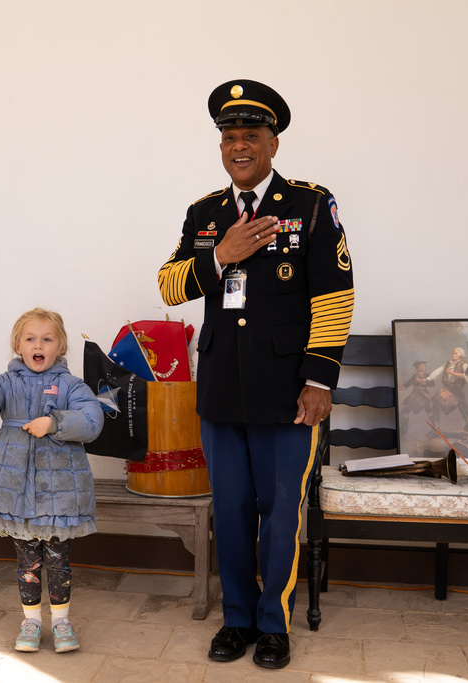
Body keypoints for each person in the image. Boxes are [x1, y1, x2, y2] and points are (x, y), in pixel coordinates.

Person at [157, 79, 354, 669]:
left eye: (251, 136)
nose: (238, 147)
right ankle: (237, 620)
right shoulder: (206, 213)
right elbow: (169, 286)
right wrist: (221, 255)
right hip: (221, 388)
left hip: (287, 391)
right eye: (229, 138)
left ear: (272, 144)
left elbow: (335, 296)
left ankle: (274, 623)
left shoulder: (310, 204)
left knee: (279, 509)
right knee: (234, 509)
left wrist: (319, 382)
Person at [0, 308, 103, 654]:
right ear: (18, 346)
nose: (39, 345)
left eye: (47, 339)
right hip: (14, 485)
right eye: (30, 338)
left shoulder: (70, 386)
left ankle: (61, 621)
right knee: (27, 561)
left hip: (59, 491)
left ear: (59, 345)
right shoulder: (4, 382)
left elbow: (93, 421)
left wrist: (54, 423)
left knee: (57, 558)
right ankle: (32, 621)